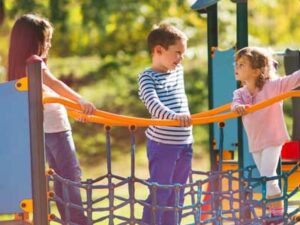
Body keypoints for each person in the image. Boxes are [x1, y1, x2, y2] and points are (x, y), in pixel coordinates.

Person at [7, 14, 96, 225]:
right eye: (46, 40)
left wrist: (75, 110)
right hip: (57, 131)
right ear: (32, 42)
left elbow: (48, 100)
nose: (49, 45)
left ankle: (70, 219)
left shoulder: (21, 68)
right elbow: (56, 85)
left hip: (46, 131)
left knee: (61, 178)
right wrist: (79, 99)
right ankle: (77, 220)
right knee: (70, 176)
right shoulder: (35, 63)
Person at [231, 47, 300, 223]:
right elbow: (235, 105)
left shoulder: (273, 87)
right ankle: (274, 212)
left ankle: (277, 215)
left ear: (256, 70)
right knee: (266, 178)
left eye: (242, 64)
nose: (236, 67)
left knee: (269, 175)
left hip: (273, 138)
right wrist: (237, 107)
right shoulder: (240, 93)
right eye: (236, 64)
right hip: (256, 142)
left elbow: (294, 78)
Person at [138, 24, 193, 225]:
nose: (180, 58)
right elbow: (154, 105)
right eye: (177, 53)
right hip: (163, 145)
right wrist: (176, 117)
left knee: (178, 194)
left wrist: (181, 119)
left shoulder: (178, 71)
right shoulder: (147, 77)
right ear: (159, 50)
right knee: (161, 192)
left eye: (183, 54)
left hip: (185, 142)